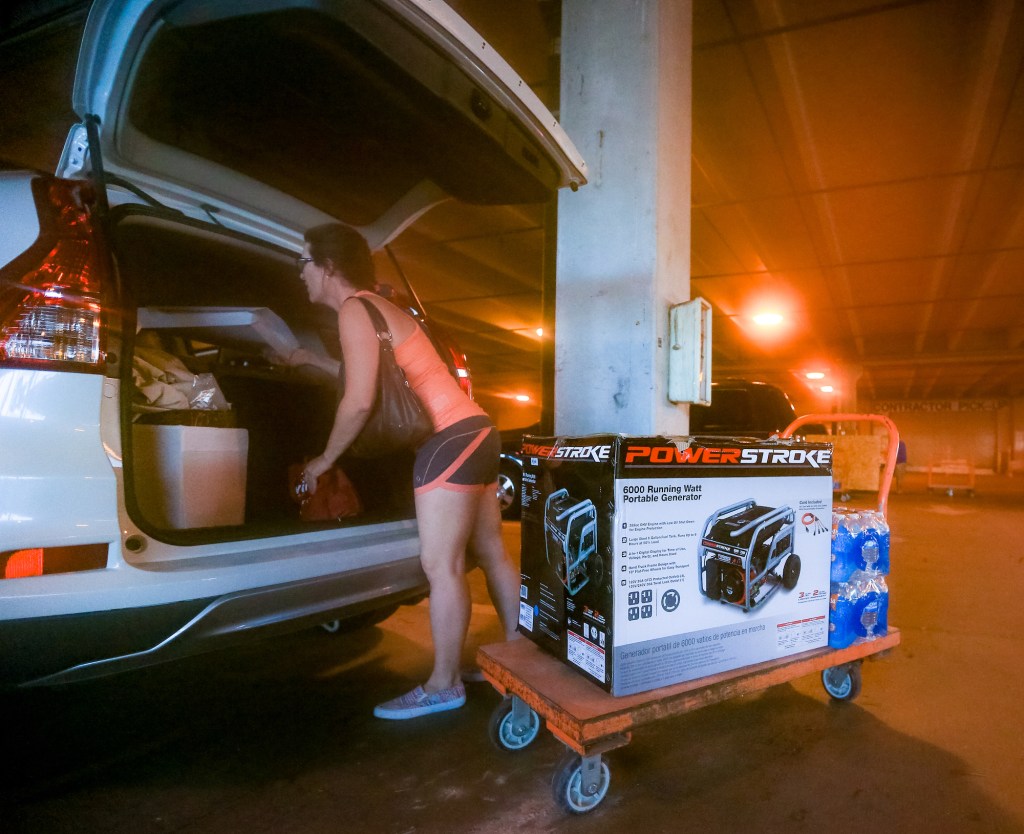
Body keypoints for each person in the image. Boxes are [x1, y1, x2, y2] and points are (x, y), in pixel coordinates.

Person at [288, 222, 521, 720]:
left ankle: (443, 685)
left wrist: (324, 460)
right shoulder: (379, 307)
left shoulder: (355, 309)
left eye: (303, 262)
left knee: (441, 565)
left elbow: (358, 401)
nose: (300, 273)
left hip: (448, 439)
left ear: (328, 267)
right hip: (477, 429)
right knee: (491, 551)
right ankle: (519, 659)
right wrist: (308, 361)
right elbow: (376, 378)